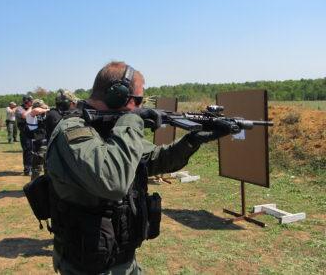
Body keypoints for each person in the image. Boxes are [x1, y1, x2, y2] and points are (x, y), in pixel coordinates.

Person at [46, 61, 235, 274]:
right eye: (137, 100)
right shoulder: (72, 131)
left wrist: (191, 142)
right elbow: (113, 181)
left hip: (120, 258)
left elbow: (152, 160)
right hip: (87, 265)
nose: (140, 107)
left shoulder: (112, 128)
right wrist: (131, 122)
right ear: (116, 95)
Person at [25, 99, 50, 181]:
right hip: (38, 144)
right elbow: (35, 110)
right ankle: (33, 187)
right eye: (42, 106)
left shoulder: (42, 114)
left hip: (46, 143)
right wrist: (48, 109)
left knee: (48, 167)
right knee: (37, 168)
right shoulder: (30, 115)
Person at [15, 95, 33, 176]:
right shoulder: (19, 109)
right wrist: (31, 108)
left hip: (33, 132)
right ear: (26, 101)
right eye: (30, 101)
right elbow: (24, 115)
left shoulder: (31, 108)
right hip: (25, 133)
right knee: (27, 150)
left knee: (34, 150)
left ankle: (33, 167)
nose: (32, 102)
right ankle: (27, 169)